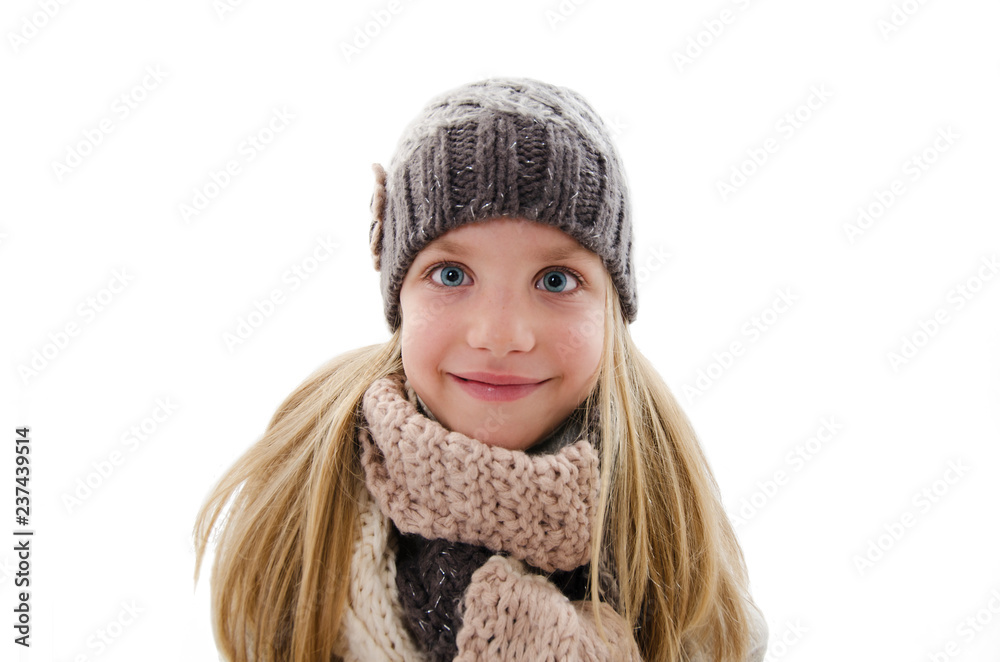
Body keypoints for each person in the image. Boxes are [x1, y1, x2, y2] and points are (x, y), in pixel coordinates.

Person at [193, 77, 769, 662]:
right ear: (400, 300)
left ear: (611, 310)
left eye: (555, 281)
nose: (500, 335)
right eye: (450, 275)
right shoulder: (303, 498)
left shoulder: (670, 522)